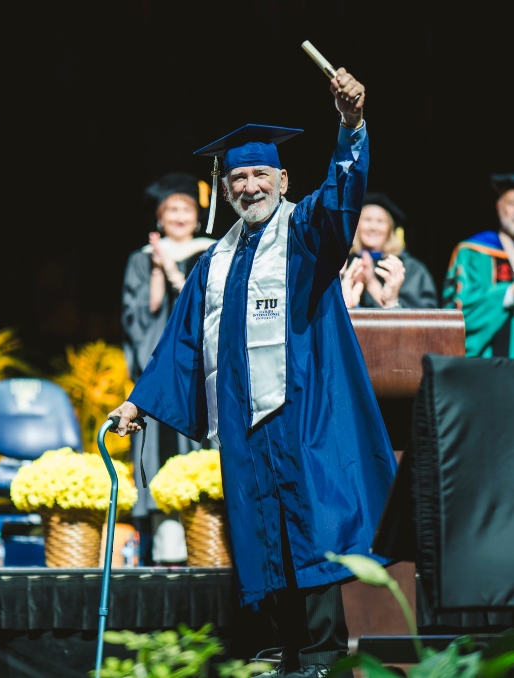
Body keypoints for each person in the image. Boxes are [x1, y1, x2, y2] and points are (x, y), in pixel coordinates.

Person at [109, 67, 397, 677]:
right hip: (245, 426)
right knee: (260, 535)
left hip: (300, 413)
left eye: (260, 173)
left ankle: (320, 655)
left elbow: (345, 198)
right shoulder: (214, 261)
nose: (248, 184)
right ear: (226, 188)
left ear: (282, 178)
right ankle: (277, 650)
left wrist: (351, 125)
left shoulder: (307, 233)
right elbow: (180, 344)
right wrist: (136, 404)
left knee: (310, 531)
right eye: (237, 176)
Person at [121, 172, 217, 564]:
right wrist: (159, 266)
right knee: (159, 443)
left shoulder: (213, 253)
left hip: (199, 368)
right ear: (160, 218)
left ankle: (208, 538)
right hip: (160, 371)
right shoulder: (141, 261)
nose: (179, 216)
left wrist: (175, 270)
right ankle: (164, 551)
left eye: (186, 209)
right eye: (171, 209)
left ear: (197, 218)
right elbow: (140, 317)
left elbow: (210, 308)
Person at [443, 173, 514, 357]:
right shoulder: (474, 252)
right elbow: (459, 311)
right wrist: (508, 294)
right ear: (499, 208)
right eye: (512, 204)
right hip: (489, 367)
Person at [341, 192, 439, 309]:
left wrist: (372, 284)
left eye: (380, 221)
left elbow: (426, 317)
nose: (373, 227)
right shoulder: (343, 264)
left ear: (390, 228)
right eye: (367, 219)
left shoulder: (409, 267)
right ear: (356, 225)